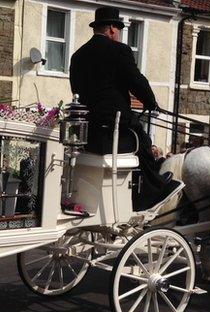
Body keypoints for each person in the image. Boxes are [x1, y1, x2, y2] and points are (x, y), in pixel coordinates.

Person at [69, 6, 181, 211]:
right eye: (118, 29)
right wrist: (150, 102)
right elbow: (136, 80)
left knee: (139, 135)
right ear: (112, 29)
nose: (118, 33)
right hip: (113, 129)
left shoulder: (77, 56)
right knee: (143, 142)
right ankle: (152, 191)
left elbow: (76, 88)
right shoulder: (119, 51)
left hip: (89, 133)